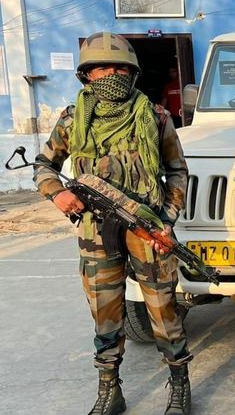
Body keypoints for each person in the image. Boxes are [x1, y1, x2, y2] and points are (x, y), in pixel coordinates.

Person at [33, 32, 193, 414]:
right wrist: (58, 194)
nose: (112, 74)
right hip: (95, 233)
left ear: (132, 72)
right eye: (102, 68)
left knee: (164, 311)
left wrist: (166, 220)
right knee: (105, 313)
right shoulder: (73, 119)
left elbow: (177, 171)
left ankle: (179, 384)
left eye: (120, 68)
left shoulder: (155, 117)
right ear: (87, 74)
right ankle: (109, 390)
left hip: (146, 229)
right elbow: (43, 166)